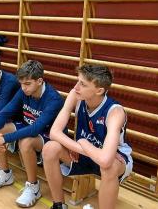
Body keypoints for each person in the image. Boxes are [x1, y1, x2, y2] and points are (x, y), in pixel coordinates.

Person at [42, 64, 133, 209]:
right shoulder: (76, 95)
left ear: (99, 90)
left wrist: (83, 143)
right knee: (49, 148)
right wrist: (81, 147)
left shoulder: (115, 112)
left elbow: (105, 160)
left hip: (116, 158)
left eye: (83, 84)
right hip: (86, 154)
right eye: (78, 81)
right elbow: (54, 132)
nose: (76, 87)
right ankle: (58, 205)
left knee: (109, 167)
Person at [0, 60, 63, 207]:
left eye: (27, 84)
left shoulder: (54, 99)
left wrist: (3, 139)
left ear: (39, 81)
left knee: (25, 141)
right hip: (27, 127)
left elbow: (36, 129)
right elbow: (5, 112)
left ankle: (33, 187)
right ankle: (5, 173)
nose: (23, 88)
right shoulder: (23, 91)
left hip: (47, 135)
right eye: (21, 84)